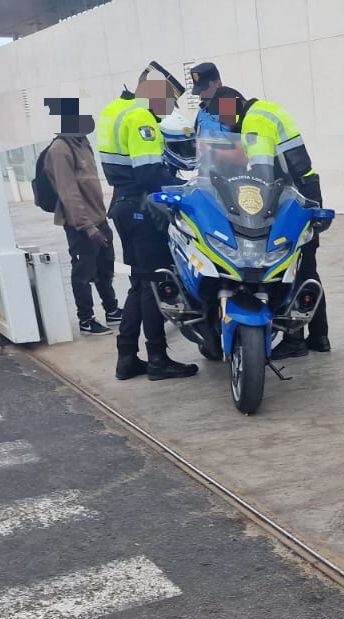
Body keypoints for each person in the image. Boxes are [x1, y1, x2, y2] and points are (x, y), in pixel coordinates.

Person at [205, 85, 330, 358]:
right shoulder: (265, 110)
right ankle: (319, 335)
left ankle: (295, 340)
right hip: (304, 190)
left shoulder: (254, 121)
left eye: (224, 116)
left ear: (233, 105)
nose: (225, 123)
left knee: (287, 264)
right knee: (306, 263)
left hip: (292, 196)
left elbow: (262, 173)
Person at [97, 61, 198, 381]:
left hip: (123, 206)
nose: (169, 110)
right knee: (157, 282)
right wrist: (187, 190)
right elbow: (149, 173)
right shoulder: (141, 118)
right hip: (142, 208)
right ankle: (157, 359)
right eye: (168, 102)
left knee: (140, 283)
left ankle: (126, 357)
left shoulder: (114, 110)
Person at [42, 99, 122, 336]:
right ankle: (86, 320)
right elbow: (68, 193)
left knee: (105, 268)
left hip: (99, 218)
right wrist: (87, 227)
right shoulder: (60, 150)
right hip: (80, 225)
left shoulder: (82, 143)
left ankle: (112, 309)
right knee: (83, 273)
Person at [190, 62, 224, 137]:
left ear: (218, 83)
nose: (201, 97)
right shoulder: (202, 112)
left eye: (205, 90)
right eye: (199, 92)